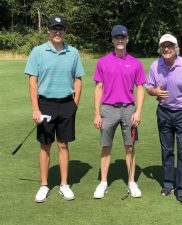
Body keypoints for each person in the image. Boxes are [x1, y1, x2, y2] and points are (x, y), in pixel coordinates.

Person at [24, 16, 85, 203]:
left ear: (65, 31)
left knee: (63, 145)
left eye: (61, 29)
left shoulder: (73, 52)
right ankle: (44, 185)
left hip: (67, 104)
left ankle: (64, 185)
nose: (58, 32)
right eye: (54, 29)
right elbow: (33, 82)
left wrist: (75, 103)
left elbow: (78, 79)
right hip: (45, 104)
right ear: (49, 31)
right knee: (45, 145)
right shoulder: (38, 52)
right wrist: (35, 109)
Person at [145, 34, 182, 207]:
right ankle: (168, 183)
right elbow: (149, 87)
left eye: (170, 46)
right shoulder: (155, 66)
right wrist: (155, 92)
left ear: (176, 48)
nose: (167, 49)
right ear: (160, 48)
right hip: (164, 112)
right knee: (167, 150)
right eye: (164, 46)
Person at [93, 25, 146, 199]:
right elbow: (98, 87)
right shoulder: (103, 62)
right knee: (106, 146)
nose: (120, 40)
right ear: (113, 40)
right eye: (117, 38)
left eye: (123, 37)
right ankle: (103, 182)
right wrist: (96, 113)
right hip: (108, 109)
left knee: (130, 147)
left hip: (129, 109)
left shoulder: (136, 63)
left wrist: (138, 111)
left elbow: (140, 88)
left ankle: (131, 182)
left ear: (127, 39)